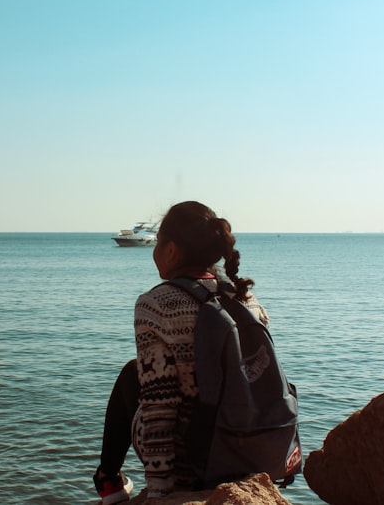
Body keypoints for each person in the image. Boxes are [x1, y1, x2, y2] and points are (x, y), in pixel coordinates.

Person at [93, 201, 270, 503]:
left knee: (132, 375)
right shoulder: (245, 298)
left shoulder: (156, 304)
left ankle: (108, 481)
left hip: (194, 466)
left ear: (171, 250)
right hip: (252, 454)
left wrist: (162, 493)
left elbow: (160, 405)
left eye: (158, 242)